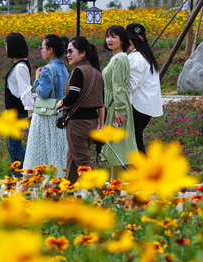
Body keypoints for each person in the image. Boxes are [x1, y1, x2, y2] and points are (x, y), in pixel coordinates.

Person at [56, 36, 104, 183]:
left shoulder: (79, 71)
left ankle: (106, 196)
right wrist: (101, 125)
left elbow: (72, 97)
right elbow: (101, 103)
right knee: (72, 160)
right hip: (92, 123)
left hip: (77, 124)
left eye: (71, 51)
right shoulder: (97, 73)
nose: (67, 55)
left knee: (84, 163)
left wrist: (61, 103)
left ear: (82, 53)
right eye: (66, 52)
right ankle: (68, 194)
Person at [22, 34, 69, 174]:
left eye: (42, 48)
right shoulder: (64, 68)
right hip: (60, 114)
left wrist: (36, 79)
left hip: (45, 116)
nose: (40, 51)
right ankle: (59, 179)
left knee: (39, 153)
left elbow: (42, 93)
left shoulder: (48, 69)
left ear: (50, 50)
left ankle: (32, 183)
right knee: (57, 152)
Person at [100, 25, 138, 180]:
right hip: (113, 107)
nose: (109, 40)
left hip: (117, 108)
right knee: (116, 148)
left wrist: (120, 111)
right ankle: (114, 184)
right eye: (108, 36)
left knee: (121, 148)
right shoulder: (116, 58)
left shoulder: (120, 60)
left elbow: (119, 87)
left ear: (122, 40)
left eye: (114, 37)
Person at [126, 22, 163, 154]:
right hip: (145, 106)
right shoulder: (146, 56)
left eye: (129, 39)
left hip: (138, 105)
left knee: (135, 141)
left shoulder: (138, 58)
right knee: (135, 139)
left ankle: (141, 170)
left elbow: (131, 84)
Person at [4, 32, 33, 166]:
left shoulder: (20, 67)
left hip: (18, 113)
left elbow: (25, 92)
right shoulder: (19, 65)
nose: (5, 47)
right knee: (12, 148)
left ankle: (36, 166)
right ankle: (18, 177)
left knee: (15, 147)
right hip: (12, 113)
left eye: (7, 44)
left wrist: (30, 114)